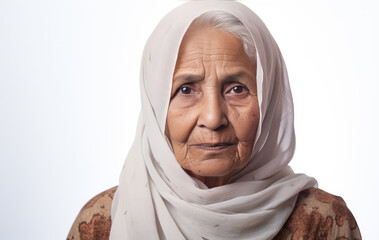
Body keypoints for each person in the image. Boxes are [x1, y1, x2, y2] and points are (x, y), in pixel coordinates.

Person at [67, 1, 361, 239]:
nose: (212, 117)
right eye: (185, 89)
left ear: (268, 100)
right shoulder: (101, 225)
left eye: (236, 89)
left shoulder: (321, 224)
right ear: (156, 106)